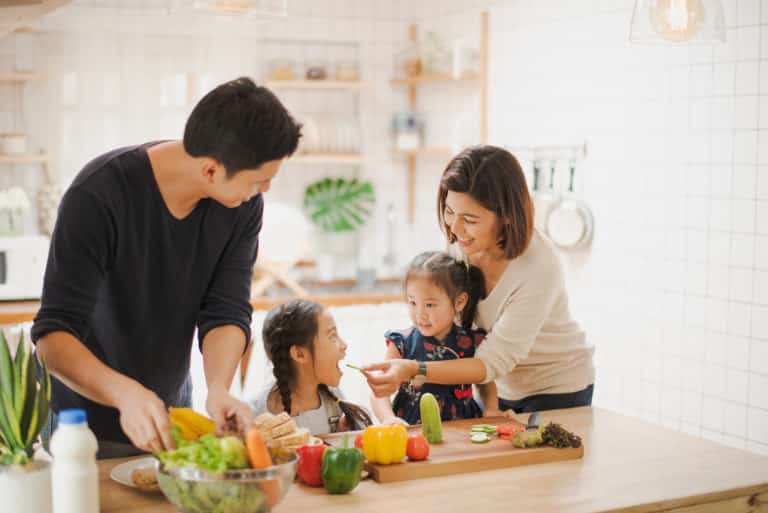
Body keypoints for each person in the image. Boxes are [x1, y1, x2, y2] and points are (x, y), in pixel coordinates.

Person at [31, 77, 302, 458]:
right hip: (78, 427)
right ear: (210, 170)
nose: (264, 192)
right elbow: (52, 338)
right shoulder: (98, 195)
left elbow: (225, 309)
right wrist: (124, 393)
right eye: (259, 181)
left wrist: (219, 389)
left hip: (171, 414)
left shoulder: (241, 206)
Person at [365, 145, 595, 415]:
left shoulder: (539, 267)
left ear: (507, 216)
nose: (455, 228)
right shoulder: (462, 244)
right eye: (450, 212)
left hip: (557, 388)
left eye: (470, 219)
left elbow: (492, 360)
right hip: (499, 386)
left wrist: (415, 368)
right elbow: (471, 338)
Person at [370, 251, 496, 425]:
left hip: (464, 425)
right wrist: (388, 418)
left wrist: (491, 409)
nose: (420, 314)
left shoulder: (471, 342)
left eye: (429, 304)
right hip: (412, 427)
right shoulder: (401, 343)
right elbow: (379, 391)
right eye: (412, 302)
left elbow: (485, 382)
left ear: (459, 302)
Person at [250, 299, 372, 434]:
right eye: (332, 336)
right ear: (299, 354)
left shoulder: (333, 397)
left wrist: (342, 433)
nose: (344, 345)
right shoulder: (255, 413)